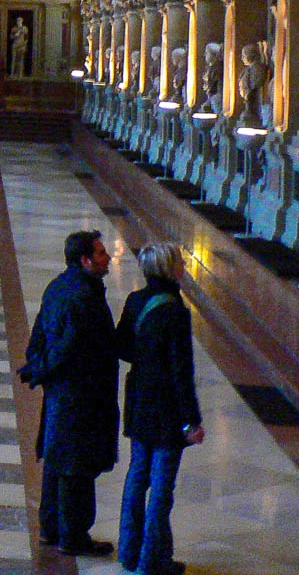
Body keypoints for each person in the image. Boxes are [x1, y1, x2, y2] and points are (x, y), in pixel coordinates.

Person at [20, 229, 119, 557]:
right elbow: (68, 347)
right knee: (77, 465)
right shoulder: (84, 297)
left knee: (56, 459)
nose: (108, 258)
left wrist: (36, 366)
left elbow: (39, 333)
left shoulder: (59, 285)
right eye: (102, 253)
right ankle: (74, 536)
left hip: (62, 392)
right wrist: (41, 369)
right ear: (86, 259)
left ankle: (51, 528)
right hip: (82, 394)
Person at [115, 242, 204, 575]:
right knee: (162, 485)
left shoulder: (135, 300)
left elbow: (122, 346)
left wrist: (146, 359)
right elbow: (182, 371)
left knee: (137, 476)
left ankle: (129, 551)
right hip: (166, 409)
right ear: (169, 268)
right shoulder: (175, 311)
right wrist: (191, 421)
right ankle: (153, 560)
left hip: (138, 400)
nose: (183, 265)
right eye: (179, 261)